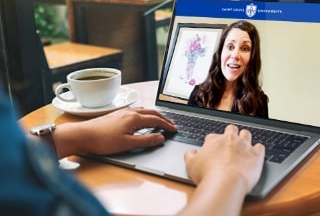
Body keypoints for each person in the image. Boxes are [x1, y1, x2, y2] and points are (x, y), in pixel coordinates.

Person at [0, 84, 265, 216]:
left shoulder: (258, 98)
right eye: (230, 46)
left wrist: (73, 136)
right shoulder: (201, 91)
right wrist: (228, 175)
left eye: (245, 48)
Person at [188, 20, 269, 118]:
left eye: (245, 48)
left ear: (252, 57)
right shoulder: (198, 93)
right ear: (220, 53)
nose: (235, 55)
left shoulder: (259, 102)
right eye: (230, 46)